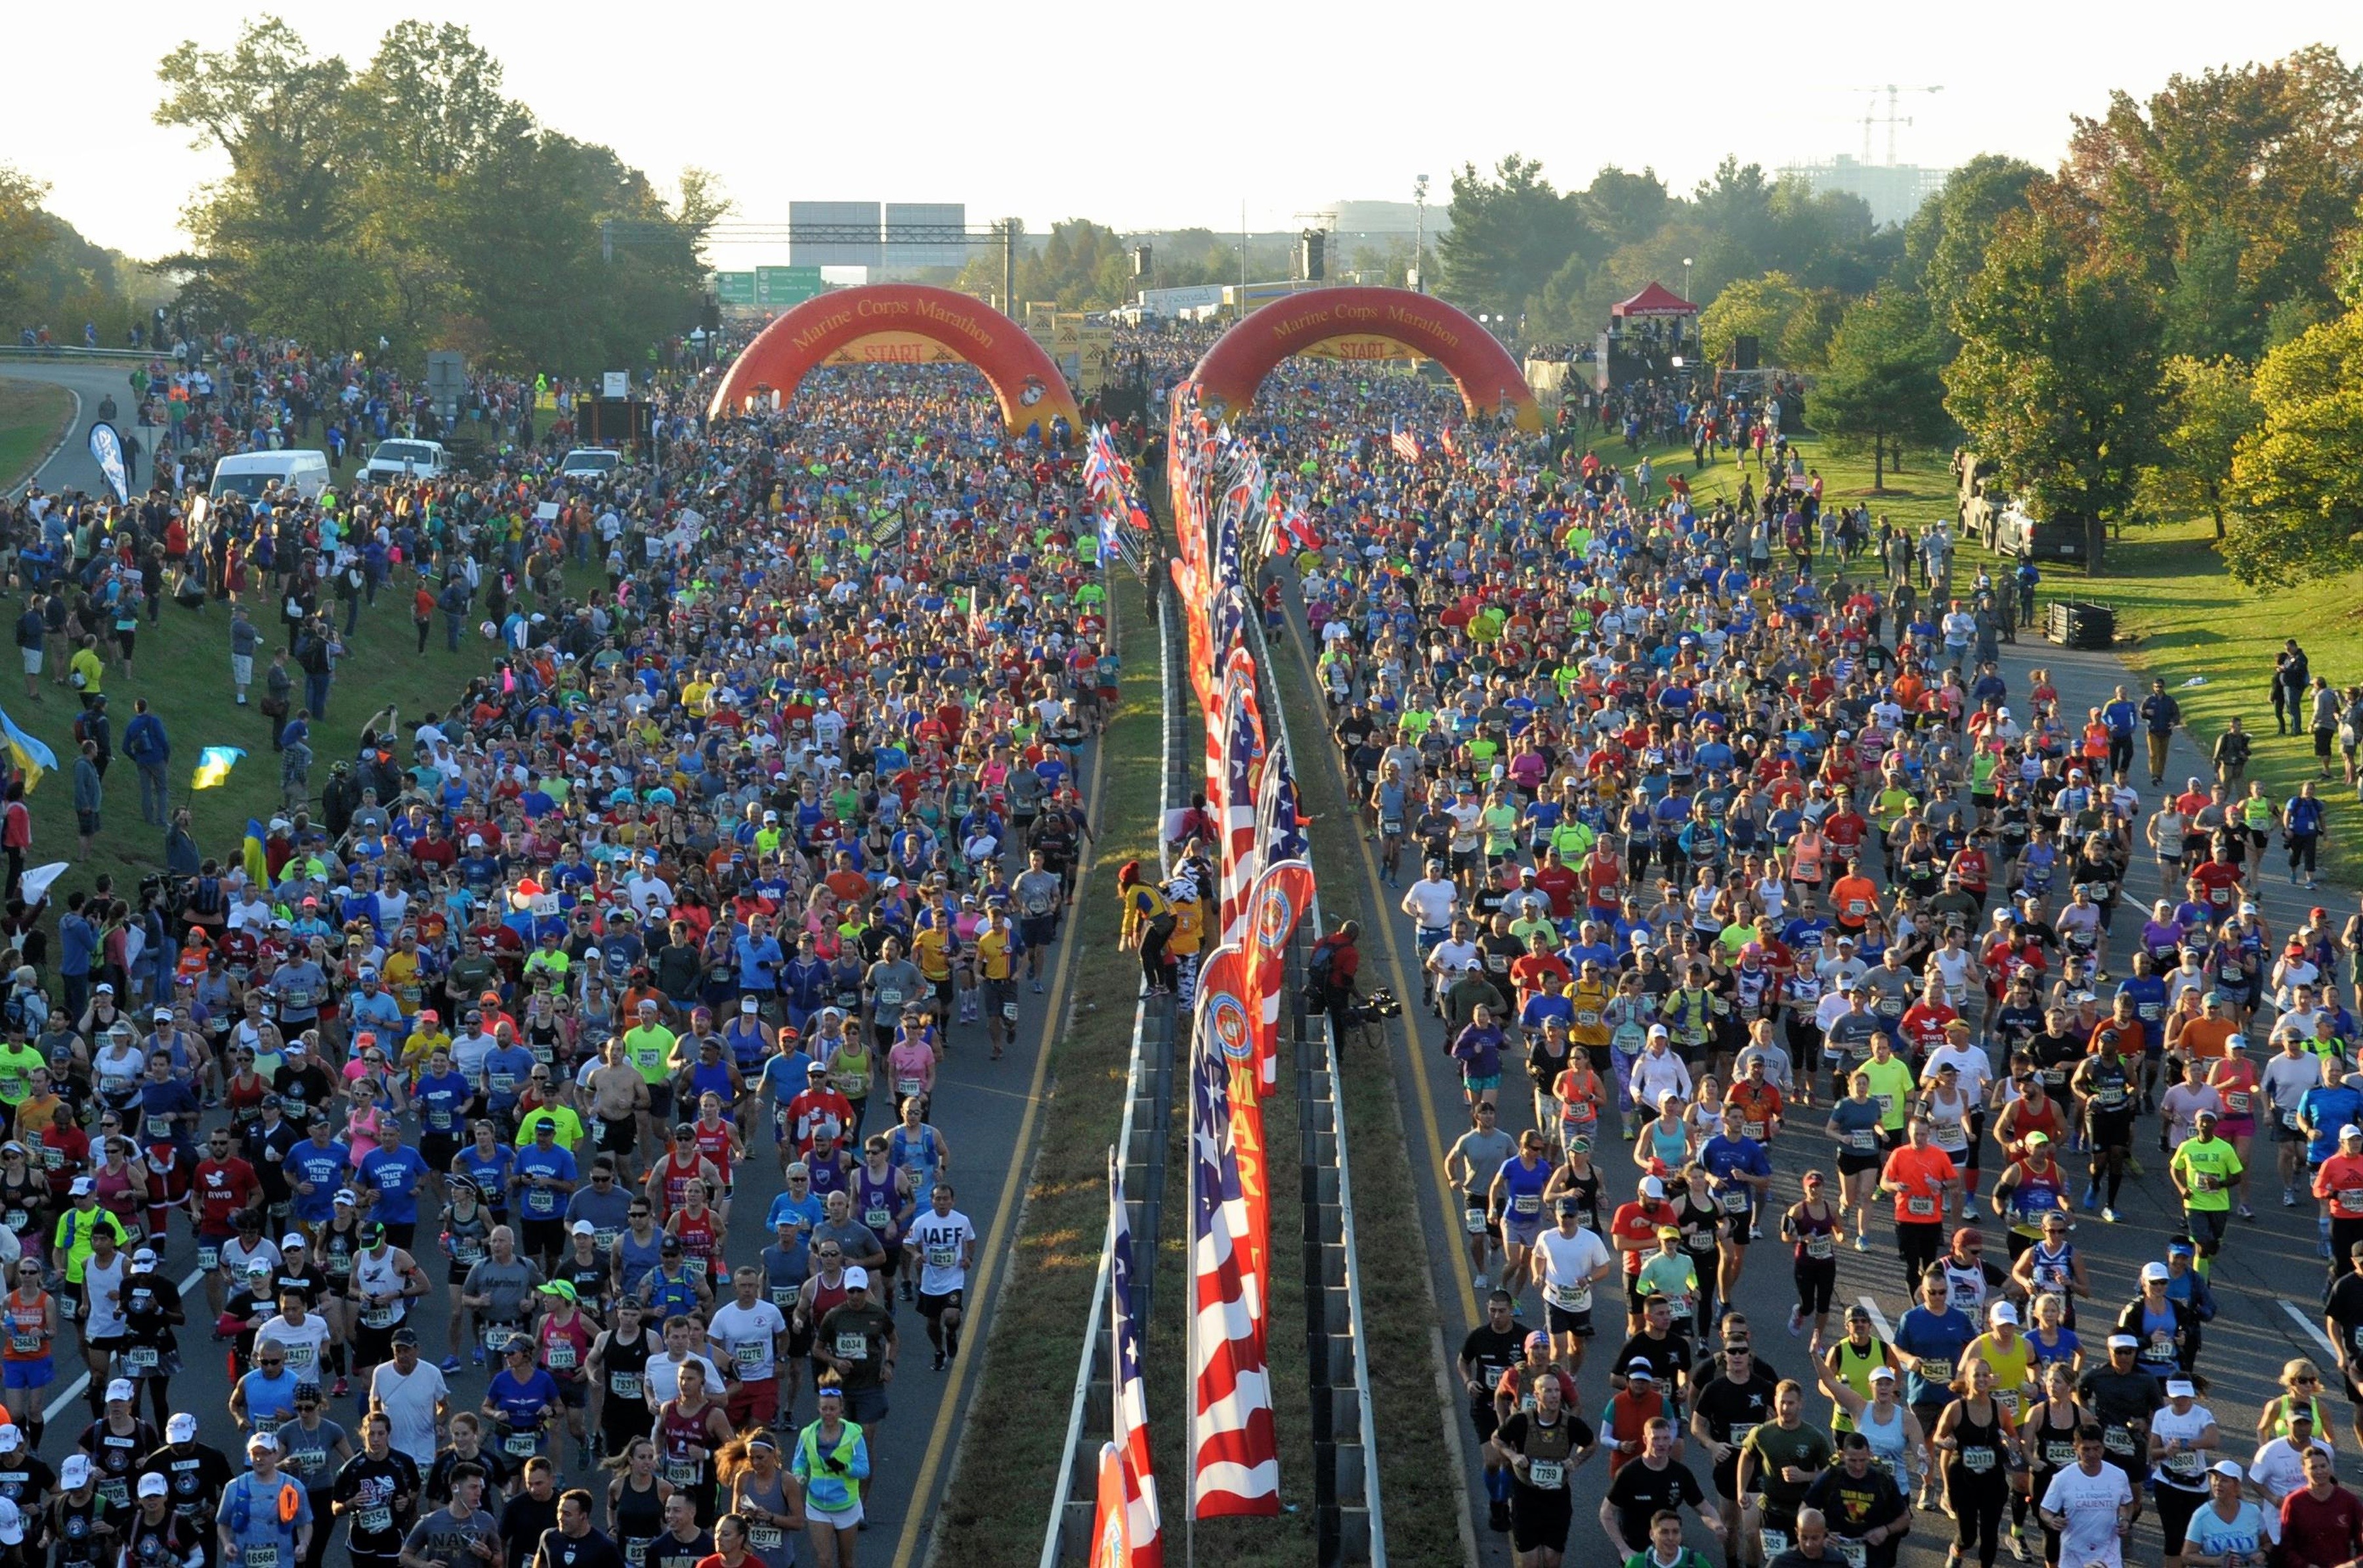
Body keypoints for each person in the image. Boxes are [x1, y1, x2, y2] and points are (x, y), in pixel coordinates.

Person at [1487, 1366, 1597, 1567]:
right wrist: (1513, 1456)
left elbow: (1591, 1444)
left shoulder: (1571, 1423)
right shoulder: (1521, 1421)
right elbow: (1497, 1439)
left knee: (1551, 1560)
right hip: (1525, 1497)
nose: (1555, 1396)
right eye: (1548, 1391)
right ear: (1536, 1394)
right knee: (1529, 1562)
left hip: (1557, 1499)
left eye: (1557, 1391)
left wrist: (1576, 1460)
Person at [1600, 1417, 1719, 1556]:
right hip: (1637, 1551)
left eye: (1666, 1438)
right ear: (1645, 1440)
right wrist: (1623, 1549)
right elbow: (1606, 1512)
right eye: (1656, 1439)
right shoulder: (1629, 1473)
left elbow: (1703, 1507)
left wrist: (1717, 1525)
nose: (1661, 1444)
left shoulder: (1680, 1473)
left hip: (1669, 1550)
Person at [790, 1381, 867, 1565]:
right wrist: (799, 1473)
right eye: (824, 1409)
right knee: (824, 1560)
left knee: (846, 1561)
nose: (828, 1413)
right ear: (818, 1409)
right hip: (817, 1506)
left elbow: (864, 1469)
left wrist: (845, 1467)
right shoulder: (807, 1434)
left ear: (841, 1410)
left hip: (846, 1506)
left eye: (833, 1409)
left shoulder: (854, 1436)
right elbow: (799, 1460)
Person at [2038, 1424, 2135, 1568]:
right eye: (2086, 1449)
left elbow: (2127, 1503)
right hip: (2074, 1557)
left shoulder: (2118, 1476)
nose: (2092, 1454)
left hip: (2109, 1556)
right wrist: (2052, 1520)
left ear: (2103, 1447)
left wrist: (2126, 1520)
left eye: (2096, 1448)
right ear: (2075, 1447)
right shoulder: (2063, 1478)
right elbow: (2045, 1510)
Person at [217, 1430, 315, 1568]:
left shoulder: (293, 1487)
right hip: (242, 1561)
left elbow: (305, 1522)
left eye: (265, 1453)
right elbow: (223, 1523)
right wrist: (227, 1544)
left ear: (276, 1454)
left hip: (281, 1561)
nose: (259, 1458)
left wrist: (304, 1545)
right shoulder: (234, 1487)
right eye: (255, 1454)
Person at [2179, 1458, 2277, 1568]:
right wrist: (2218, 1562)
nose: (2218, 1484)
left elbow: (2267, 1543)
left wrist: (2263, 1554)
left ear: (2236, 1486)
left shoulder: (2253, 1512)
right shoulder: (2201, 1515)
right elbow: (2187, 1556)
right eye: (2215, 1479)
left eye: (2224, 1480)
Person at [2279, 1444, 2363, 1568]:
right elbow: (2285, 1547)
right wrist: (2305, 1566)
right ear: (2304, 1471)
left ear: (2330, 1467)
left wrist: (2354, 1565)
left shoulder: (2348, 1501)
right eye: (2313, 1467)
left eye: (2323, 1466)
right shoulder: (2294, 1502)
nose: (2319, 1471)